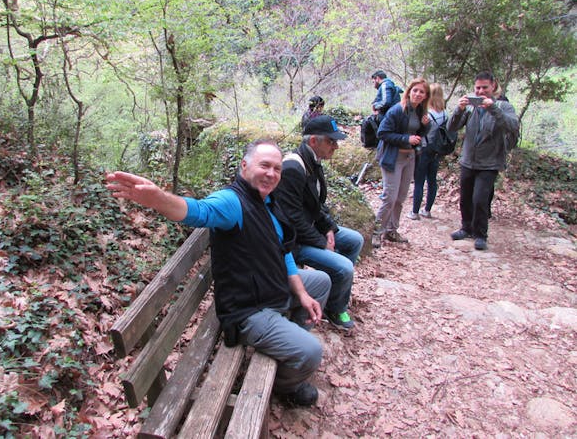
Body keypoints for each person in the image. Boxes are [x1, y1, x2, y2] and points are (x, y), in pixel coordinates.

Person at [106, 140, 331, 407]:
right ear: (244, 166)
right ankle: (286, 385)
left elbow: (284, 253)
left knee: (321, 282)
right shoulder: (232, 202)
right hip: (250, 309)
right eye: (264, 166)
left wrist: (302, 294)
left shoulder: (267, 201)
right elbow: (199, 211)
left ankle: (289, 336)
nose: (271, 174)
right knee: (311, 351)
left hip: (269, 285)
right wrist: (158, 199)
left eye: (277, 169)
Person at [274, 115, 365, 331]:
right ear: (314, 141)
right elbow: (292, 218)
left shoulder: (313, 161)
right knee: (344, 267)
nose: (336, 146)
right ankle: (336, 307)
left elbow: (316, 204)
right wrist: (321, 242)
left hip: (310, 229)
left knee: (354, 240)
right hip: (295, 242)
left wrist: (329, 228)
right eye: (331, 141)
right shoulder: (293, 168)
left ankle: (335, 302)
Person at [447, 71, 519, 251]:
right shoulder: (471, 107)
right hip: (468, 160)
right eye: (477, 88)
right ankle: (466, 227)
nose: (480, 91)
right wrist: (459, 109)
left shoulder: (503, 106)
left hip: (490, 162)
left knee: (480, 198)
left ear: (493, 86)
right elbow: (451, 127)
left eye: (484, 87)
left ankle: (480, 234)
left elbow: (512, 126)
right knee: (465, 198)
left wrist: (492, 108)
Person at [372, 78, 430, 246]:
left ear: (426, 96)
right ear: (409, 91)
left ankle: (391, 231)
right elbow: (382, 133)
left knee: (400, 198)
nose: (418, 94)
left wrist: (425, 127)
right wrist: (406, 138)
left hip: (409, 158)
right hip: (392, 157)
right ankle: (377, 232)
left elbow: (418, 134)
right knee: (389, 197)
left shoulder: (420, 112)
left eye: (422, 92)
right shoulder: (397, 110)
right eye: (415, 90)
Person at [408, 83, 448, 220]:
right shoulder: (444, 113)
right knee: (432, 181)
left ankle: (414, 212)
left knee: (419, 181)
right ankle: (427, 210)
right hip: (436, 150)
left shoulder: (427, 114)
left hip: (424, 149)